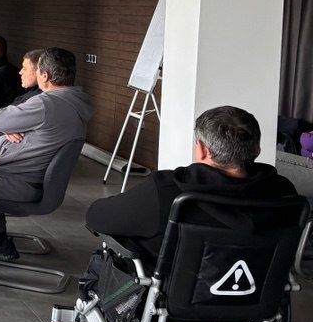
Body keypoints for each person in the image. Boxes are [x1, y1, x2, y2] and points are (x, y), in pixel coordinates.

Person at [86, 106, 298, 264]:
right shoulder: (284, 193)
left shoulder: (167, 191)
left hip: (171, 305)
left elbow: (97, 217)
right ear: (257, 150)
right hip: (255, 303)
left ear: (203, 150)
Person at [0, 48, 92, 262]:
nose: (21, 72)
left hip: (16, 181)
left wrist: (6, 126)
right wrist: (9, 129)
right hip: (24, 179)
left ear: (44, 76)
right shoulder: (75, 103)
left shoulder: (46, 103)